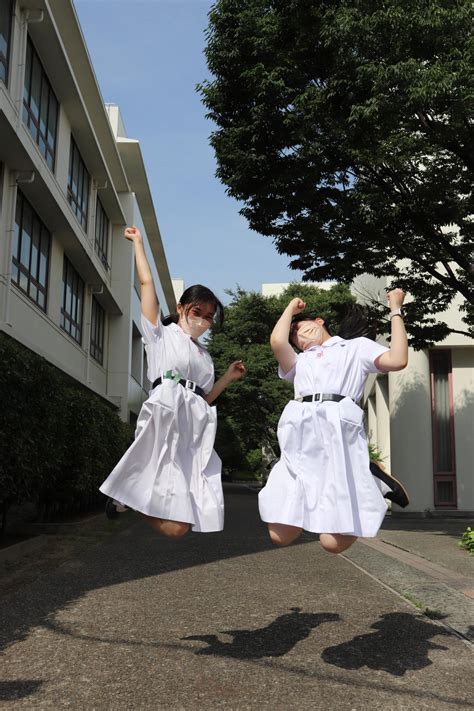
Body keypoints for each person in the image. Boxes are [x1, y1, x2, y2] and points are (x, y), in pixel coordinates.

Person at [100, 226, 245, 538]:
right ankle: (128, 495)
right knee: (177, 525)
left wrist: (228, 378)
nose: (203, 320)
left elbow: (204, 399)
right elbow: (146, 282)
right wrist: (138, 243)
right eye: (197, 311)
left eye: (209, 316)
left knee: (181, 525)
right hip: (165, 416)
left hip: (193, 428)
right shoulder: (160, 334)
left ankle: (127, 499)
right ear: (181, 308)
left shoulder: (205, 356)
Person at [258, 290, 408, 554]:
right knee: (279, 535)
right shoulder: (298, 361)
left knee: (331, 543)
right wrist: (290, 308)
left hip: (338, 430)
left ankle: (371, 480)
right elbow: (276, 340)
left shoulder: (355, 347)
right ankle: (366, 474)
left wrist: (395, 309)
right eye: (293, 335)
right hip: (300, 434)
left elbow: (398, 359)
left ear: (319, 321)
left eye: (300, 327)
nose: (297, 336)